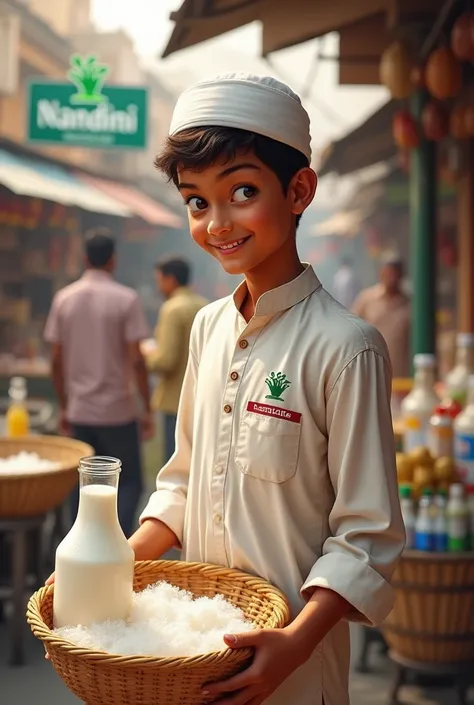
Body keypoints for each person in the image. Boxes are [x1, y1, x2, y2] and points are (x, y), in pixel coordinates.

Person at [48, 75, 404, 704]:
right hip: (197, 659)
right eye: (196, 201)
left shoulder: (348, 347)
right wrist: (110, 565)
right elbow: (182, 483)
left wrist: (295, 642)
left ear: (299, 191)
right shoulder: (209, 328)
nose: (217, 223)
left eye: (242, 192)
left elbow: (366, 536)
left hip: (295, 672)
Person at [44, 228, 153, 537]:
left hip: (80, 412)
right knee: (129, 480)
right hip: (118, 412)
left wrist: (64, 406)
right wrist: (145, 407)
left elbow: (55, 360)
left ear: (84, 258)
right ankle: (119, 541)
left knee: (83, 484)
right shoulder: (126, 299)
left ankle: (83, 542)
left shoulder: (64, 299)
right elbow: (136, 359)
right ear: (113, 261)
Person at [145, 256, 207, 462]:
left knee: (175, 465)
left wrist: (145, 355)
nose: (159, 287)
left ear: (171, 280)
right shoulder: (204, 305)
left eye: (160, 281)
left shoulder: (172, 309)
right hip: (202, 397)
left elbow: (165, 361)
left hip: (175, 400)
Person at [352, 253, 411, 378]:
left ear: (401, 275)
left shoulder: (408, 303)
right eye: (388, 273)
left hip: (400, 374)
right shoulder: (367, 299)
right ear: (381, 274)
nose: (391, 278)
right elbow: (352, 330)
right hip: (371, 369)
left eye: (394, 274)